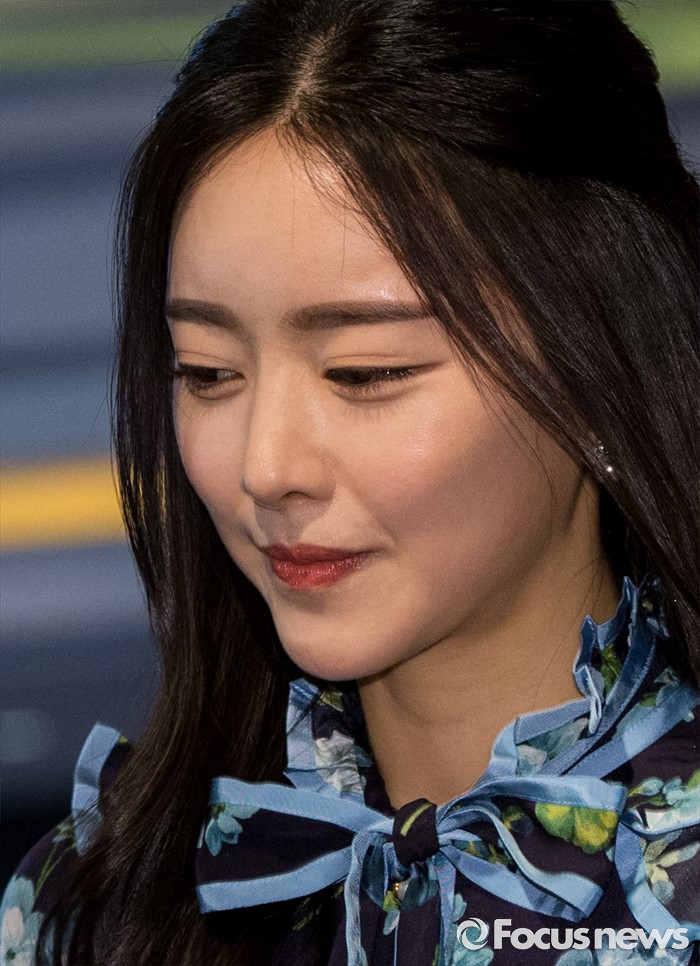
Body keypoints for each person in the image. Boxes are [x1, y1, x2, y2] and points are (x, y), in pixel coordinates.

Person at [2, 1, 698, 963]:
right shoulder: (90, 902)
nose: (266, 469)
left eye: (366, 374)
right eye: (208, 372)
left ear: (602, 362)